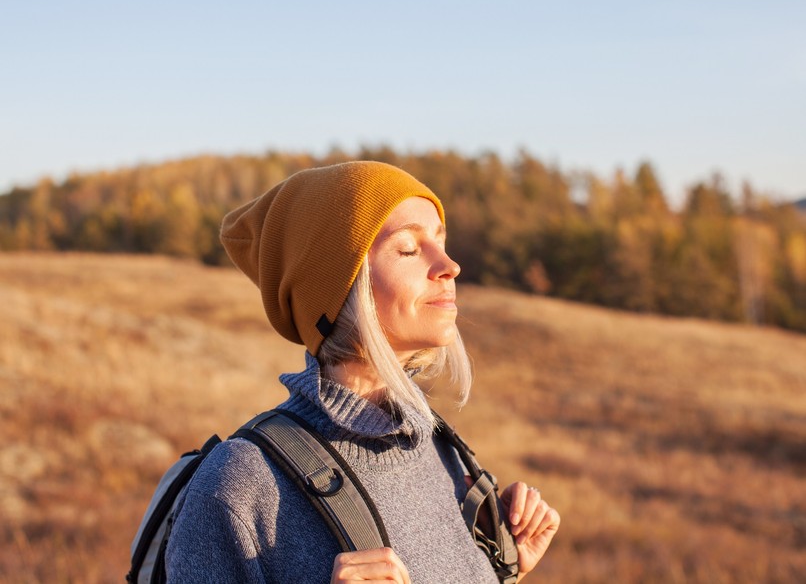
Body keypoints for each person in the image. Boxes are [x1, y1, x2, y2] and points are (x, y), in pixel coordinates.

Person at [165, 161, 560, 582]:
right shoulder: (239, 484)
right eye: (408, 248)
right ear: (339, 288)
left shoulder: (438, 448)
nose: (449, 265)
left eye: (442, 242)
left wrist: (503, 565)